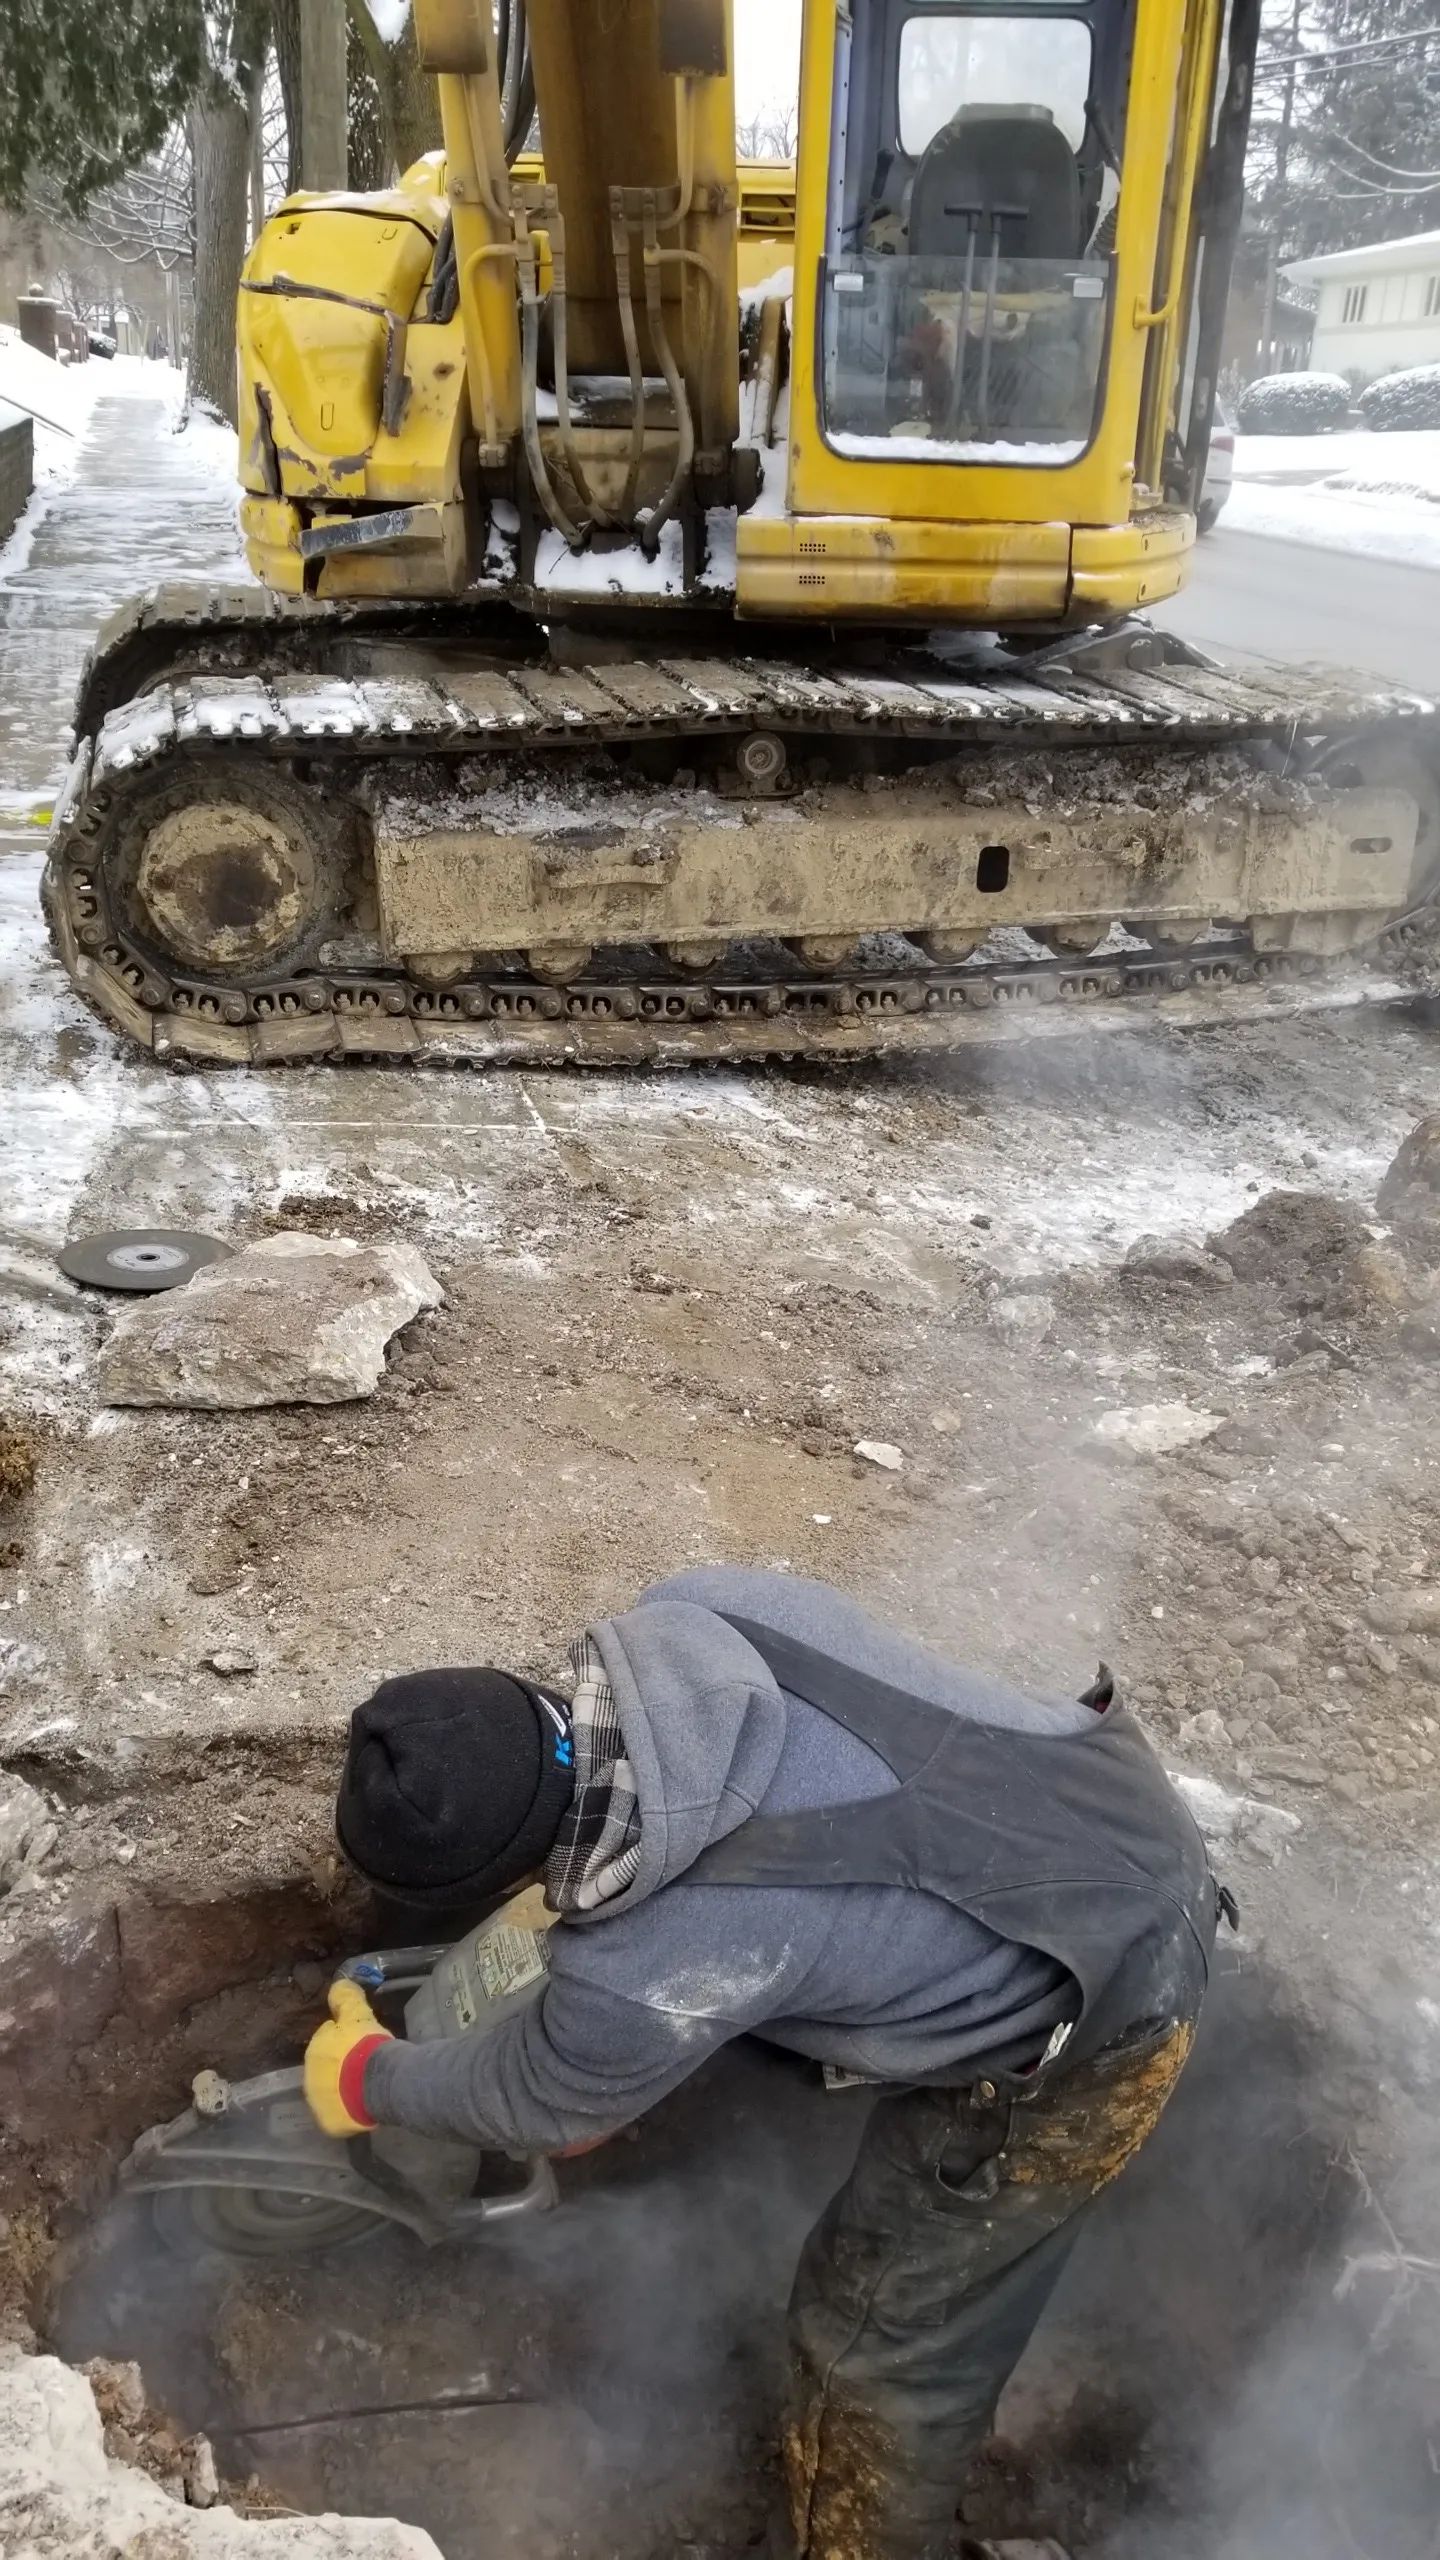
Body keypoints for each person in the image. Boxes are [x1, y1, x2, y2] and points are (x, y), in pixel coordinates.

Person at [305, 1566, 1227, 2560]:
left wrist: (367, 2080)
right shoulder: (700, 1610)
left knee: (876, 2342)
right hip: (1111, 1804)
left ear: (496, 1880)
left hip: (1112, 1998)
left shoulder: (649, 1964)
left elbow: (542, 2105)